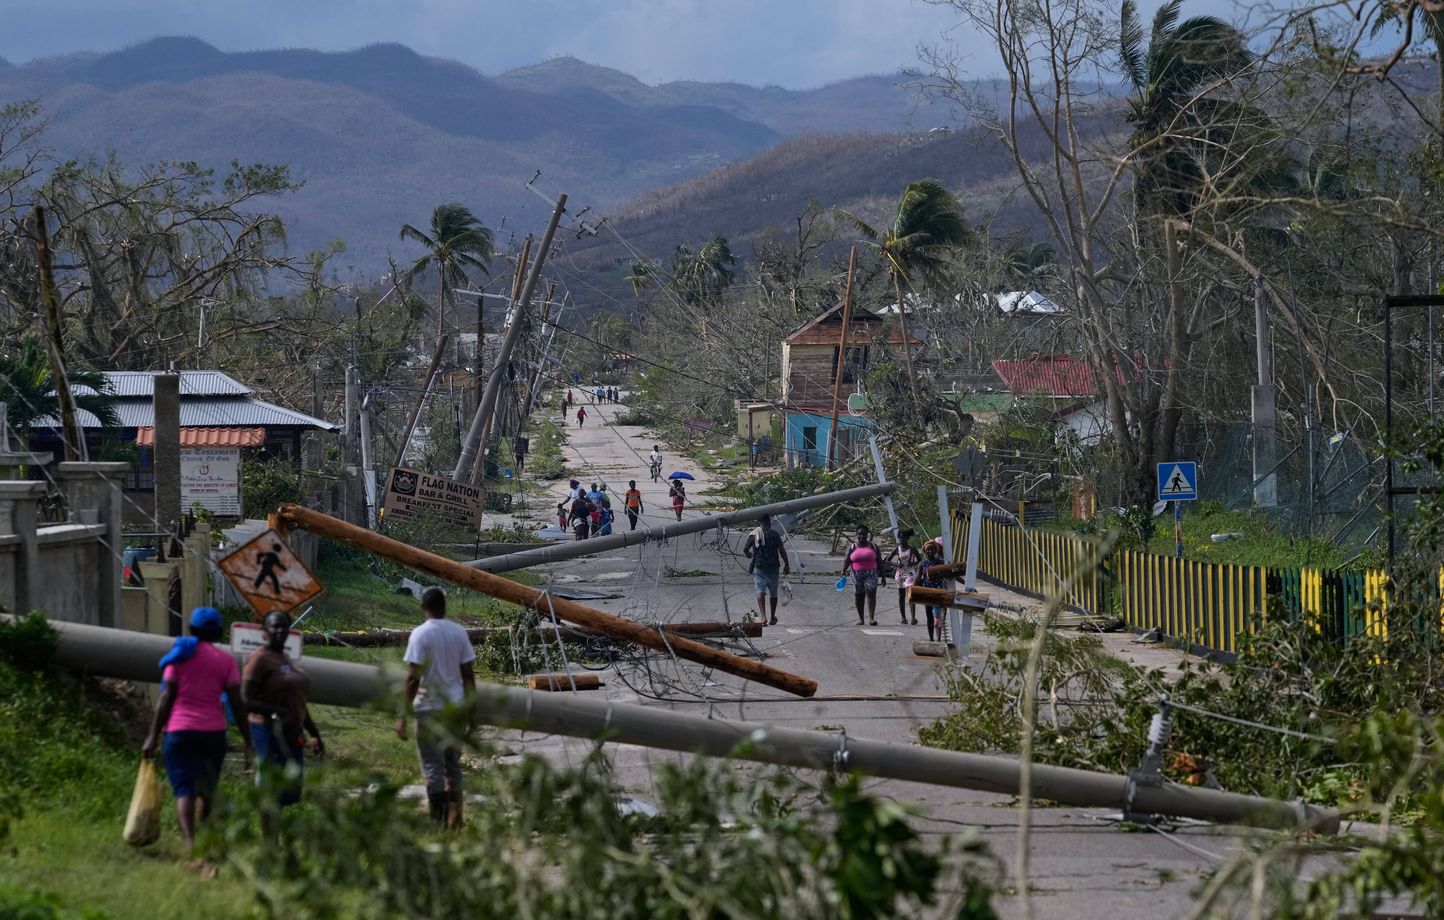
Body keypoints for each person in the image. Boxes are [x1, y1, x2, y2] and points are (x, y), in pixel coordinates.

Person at [141, 606, 253, 862]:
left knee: (185, 791)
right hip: (213, 734)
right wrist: (248, 740)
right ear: (218, 633)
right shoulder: (225, 661)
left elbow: (166, 698)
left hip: (180, 732)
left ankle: (191, 846)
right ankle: (203, 843)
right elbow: (237, 703)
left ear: (191, 629)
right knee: (207, 791)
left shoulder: (179, 656)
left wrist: (152, 736)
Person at [396, 587, 477, 828]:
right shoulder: (459, 632)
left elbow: (413, 678)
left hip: (429, 708)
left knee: (433, 766)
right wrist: (471, 711)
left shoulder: (420, 634)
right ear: (444, 608)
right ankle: (456, 818)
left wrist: (402, 716)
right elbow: (468, 676)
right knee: (452, 765)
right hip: (454, 707)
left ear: (423, 608)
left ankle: (439, 822)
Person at [243, 610, 323, 838]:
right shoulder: (260, 659)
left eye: (283, 626)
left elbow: (298, 703)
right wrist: (278, 712)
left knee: (288, 789)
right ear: (265, 631)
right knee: (270, 787)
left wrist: (314, 733)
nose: (279, 631)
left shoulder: (285, 658)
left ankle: (277, 837)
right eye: (274, 626)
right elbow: (246, 700)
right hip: (268, 731)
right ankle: (270, 842)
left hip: (291, 731)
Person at [743, 513, 791, 626]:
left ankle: (763, 617)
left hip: (759, 567)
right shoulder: (775, 534)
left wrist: (748, 554)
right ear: (769, 521)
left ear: (759, 522)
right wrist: (787, 564)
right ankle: (772, 617)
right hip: (773, 568)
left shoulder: (754, 534)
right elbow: (782, 550)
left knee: (760, 590)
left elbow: (745, 549)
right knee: (773, 593)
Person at [841, 525, 881, 626]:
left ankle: (871, 618)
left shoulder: (873, 547)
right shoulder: (852, 547)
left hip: (871, 573)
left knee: (871, 592)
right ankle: (861, 619)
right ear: (856, 535)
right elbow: (847, 560)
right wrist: (843, 571)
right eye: (859, 534)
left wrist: (883, 576)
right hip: (856, 574)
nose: (861, 536)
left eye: (864, 534)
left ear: (867, 535)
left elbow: (880, 561)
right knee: (859, 595)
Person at [882, 529, 922, 625]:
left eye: (903, 538)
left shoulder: (912, 549)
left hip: (910, 573)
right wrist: (896, 565)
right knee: (901, 595)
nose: (901, 540)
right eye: (900, 538)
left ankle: (913, 617)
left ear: (907, 538)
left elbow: (920, 560)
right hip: (900, 574)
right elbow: (887, 560)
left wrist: (914, 563)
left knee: (911, 595)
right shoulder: (897, 549)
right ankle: (903, 618)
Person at [916, 541, 947, 643]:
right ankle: (931, 638)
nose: (930, 551)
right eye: (928, 549)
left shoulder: (941, 562)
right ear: (925, 551)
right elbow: (918, 579)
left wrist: (964, 583)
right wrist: (913, 591)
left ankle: (938, 638)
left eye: (932, 549)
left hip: (938, 592)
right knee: (929, 616)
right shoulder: (922, 564)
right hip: (927, 592)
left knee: (937, 615)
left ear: (935, 550)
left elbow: (949, 573)